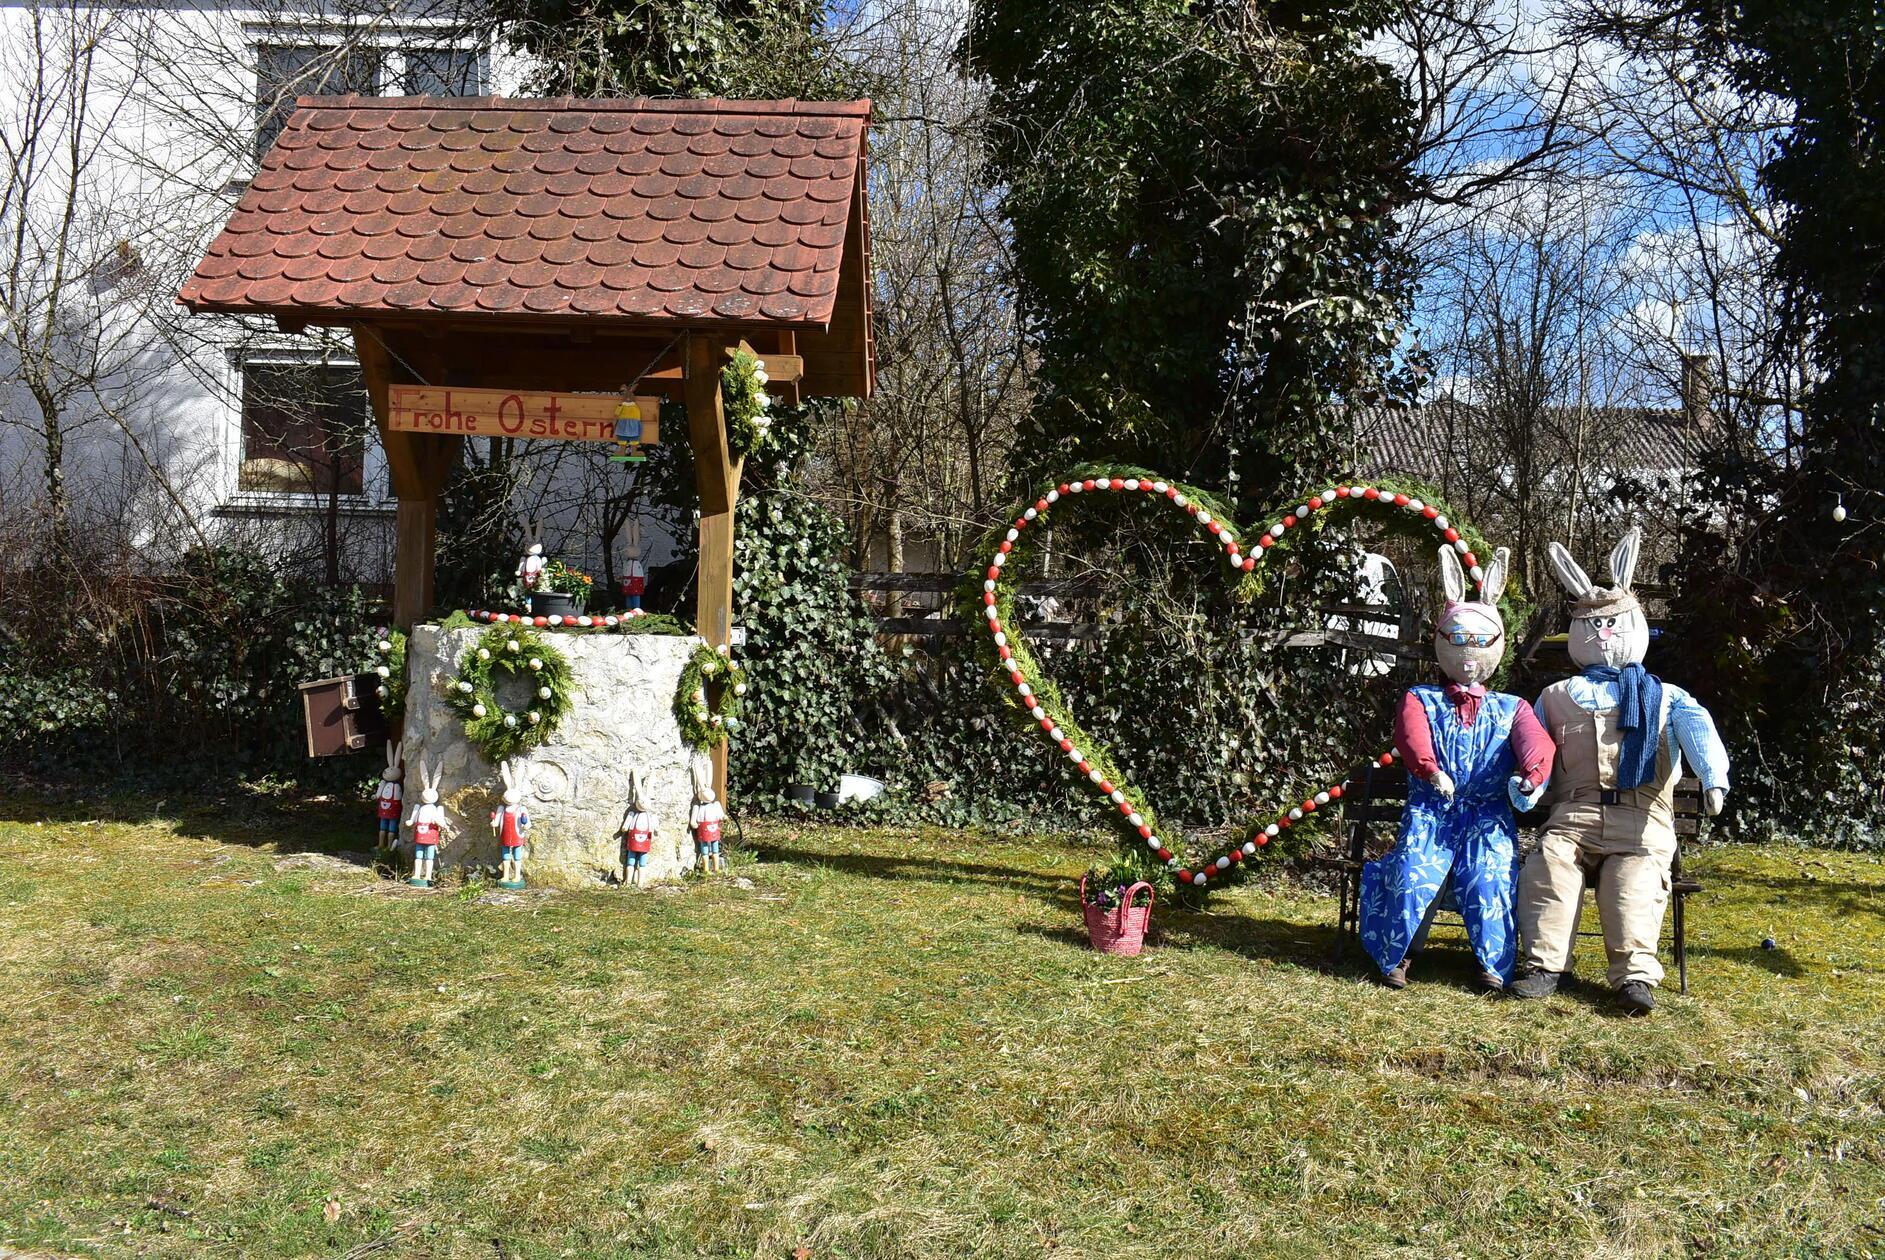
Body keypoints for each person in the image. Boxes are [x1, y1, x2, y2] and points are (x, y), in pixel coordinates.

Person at [1510, 529, 1729, 1015]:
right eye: (1594, 626)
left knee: (1634, 884)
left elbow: (1699, 730)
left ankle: (1634, 978)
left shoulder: (1664, 695)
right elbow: (1536, 747)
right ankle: (1545, 966)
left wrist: (1713, 778)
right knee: (1549, 867)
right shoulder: (1555, 696)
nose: (1604, 634)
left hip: (1643, 819)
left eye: (1614, 624)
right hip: (1573, 815)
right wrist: (1531, 784)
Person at [1360, 546, 1554, 991]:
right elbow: (1411, 738)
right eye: (1459, 639)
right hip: (1431, 812)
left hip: (1487, 817)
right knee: (1414, 870)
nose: (1469, 652)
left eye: (1480, 641)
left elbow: (1535, 742)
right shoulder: (1421, 698)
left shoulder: (1512, 707)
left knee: (1492, 876)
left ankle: (1491, 963)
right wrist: (1429, 770)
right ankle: (1401, 951)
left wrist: (1532, 773)